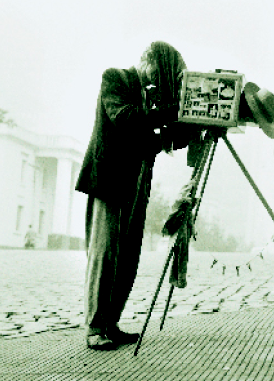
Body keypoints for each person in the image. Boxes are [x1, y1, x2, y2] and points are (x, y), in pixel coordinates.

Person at [75, 41, 191, 350]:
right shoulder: (115, 78)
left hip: (138, 180)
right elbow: (126, 119)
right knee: (105, 253)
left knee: (128, 256)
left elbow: (155, 141)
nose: (164, 85)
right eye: (167, 76)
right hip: (110, 179)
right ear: (153, 67)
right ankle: (95, 327)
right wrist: (173, 110)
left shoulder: (150, 97)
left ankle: (111, 322)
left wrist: (191, 127)